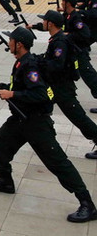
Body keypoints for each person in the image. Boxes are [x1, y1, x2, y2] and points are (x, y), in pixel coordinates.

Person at [0, 26, 97, 223]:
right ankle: (5, 181)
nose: (8, 42)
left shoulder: (30, 67)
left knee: (58, 162)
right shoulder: (21, 63)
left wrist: (13, 94)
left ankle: (87, 203)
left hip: (36, 123)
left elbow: (40, 94)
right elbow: (17, 87)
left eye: (11, 40)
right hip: (20, 119)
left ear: (19, 44)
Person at [29, 9, 97, 159]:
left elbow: (57, 65)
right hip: (54, 86)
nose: (43, 22)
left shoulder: (60, 42)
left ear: (50, 24)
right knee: (38, 111)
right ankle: (42, 141)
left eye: (44, 20)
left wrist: (40, 63)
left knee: (78, 117)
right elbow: (51, 59)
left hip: (62, 88)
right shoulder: (57, 39)